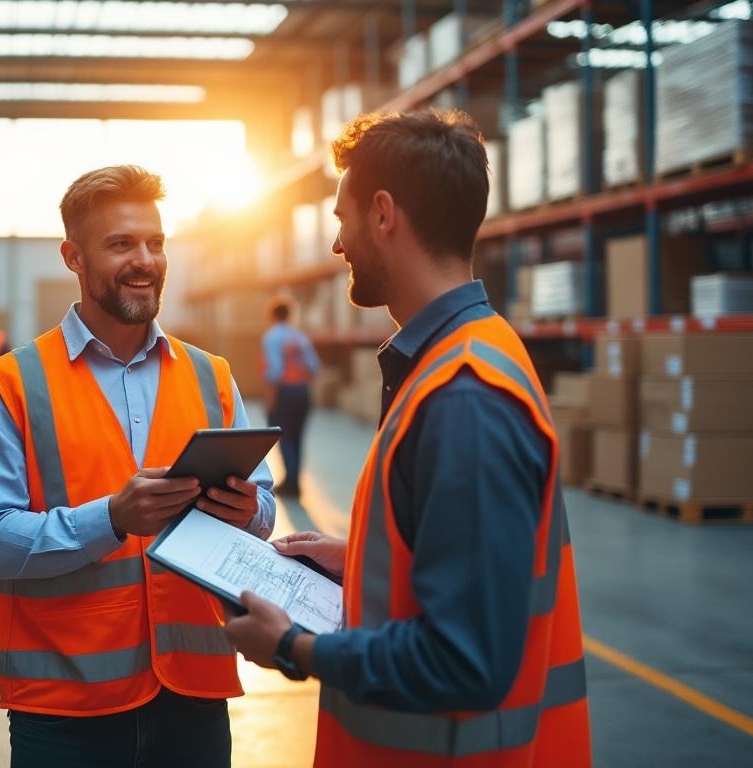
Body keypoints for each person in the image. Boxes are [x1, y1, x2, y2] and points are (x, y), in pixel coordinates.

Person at [223, 110, 592, 766]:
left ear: (383, 214)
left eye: (341, 219)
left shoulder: (464, 397)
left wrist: (292, 647)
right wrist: (361, 560)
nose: (338, 245)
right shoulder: (464, 357)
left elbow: (465, 659)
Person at [0, 165, 276, 768]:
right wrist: (110, 517)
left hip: (194, 695)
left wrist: (249, 510)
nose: (145, 260)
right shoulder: (12, 384)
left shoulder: (211, 376)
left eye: (155, 243)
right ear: (73, 257)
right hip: (64, 708)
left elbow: (261, 508)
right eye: (121, 244)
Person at [262, 296, 320, 496]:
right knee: (297, 438)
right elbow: (313, 367)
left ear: (271, 316)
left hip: (284, 392)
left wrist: (270, 400)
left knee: (284, 437)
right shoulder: (299, 337)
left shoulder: (272, 337)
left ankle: (291, 484)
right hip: (302, 391)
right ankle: (294, 480)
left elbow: (275, 372)